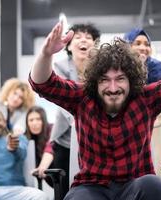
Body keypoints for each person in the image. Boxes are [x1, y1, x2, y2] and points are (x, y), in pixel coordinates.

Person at [28, 8, 161, 200]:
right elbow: (42, 83)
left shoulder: (145, 99)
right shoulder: (82, 99)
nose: (113, 88)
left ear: (131, 79)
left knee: (153, 185)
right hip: (91, 188)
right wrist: (46, 54)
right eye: (105, 80)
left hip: (135, 185)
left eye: (120, 79)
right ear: (95, 81)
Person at [124, 28, 161, 200]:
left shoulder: (159, 69)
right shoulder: (118, 70)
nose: (143, 47)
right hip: (124, 135)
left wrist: (150, 119)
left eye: (147, 44)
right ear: (127, 46)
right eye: (137, 43)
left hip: (153, 135)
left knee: (156, 181)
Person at [50, 23, 100, 197]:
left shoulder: (100, 66)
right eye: (77, 37)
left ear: (95, 44)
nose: (83, 40)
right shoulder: (61, 66)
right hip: (66, 137)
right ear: (69, 45)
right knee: (63, 187)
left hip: (94, 136)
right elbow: (61, 97)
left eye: (88, 38)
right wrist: (77, 116)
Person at [24, 106, 54, 181]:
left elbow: (50, 146)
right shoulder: (26, 137)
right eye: (31, 120)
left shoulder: (52, 129)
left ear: (44, 120)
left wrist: (42, 167)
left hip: (56, 171)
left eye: (38, 119)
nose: (34, 123)